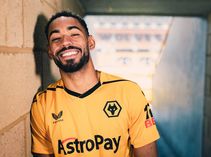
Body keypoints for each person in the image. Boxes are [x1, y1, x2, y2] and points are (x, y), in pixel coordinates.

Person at [30, 10, 160, 157]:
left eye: (74, 34)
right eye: (56, 38)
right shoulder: (42, 104)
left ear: (90, 42)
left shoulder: (129, 92)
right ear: (50, 51)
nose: (65, 42)